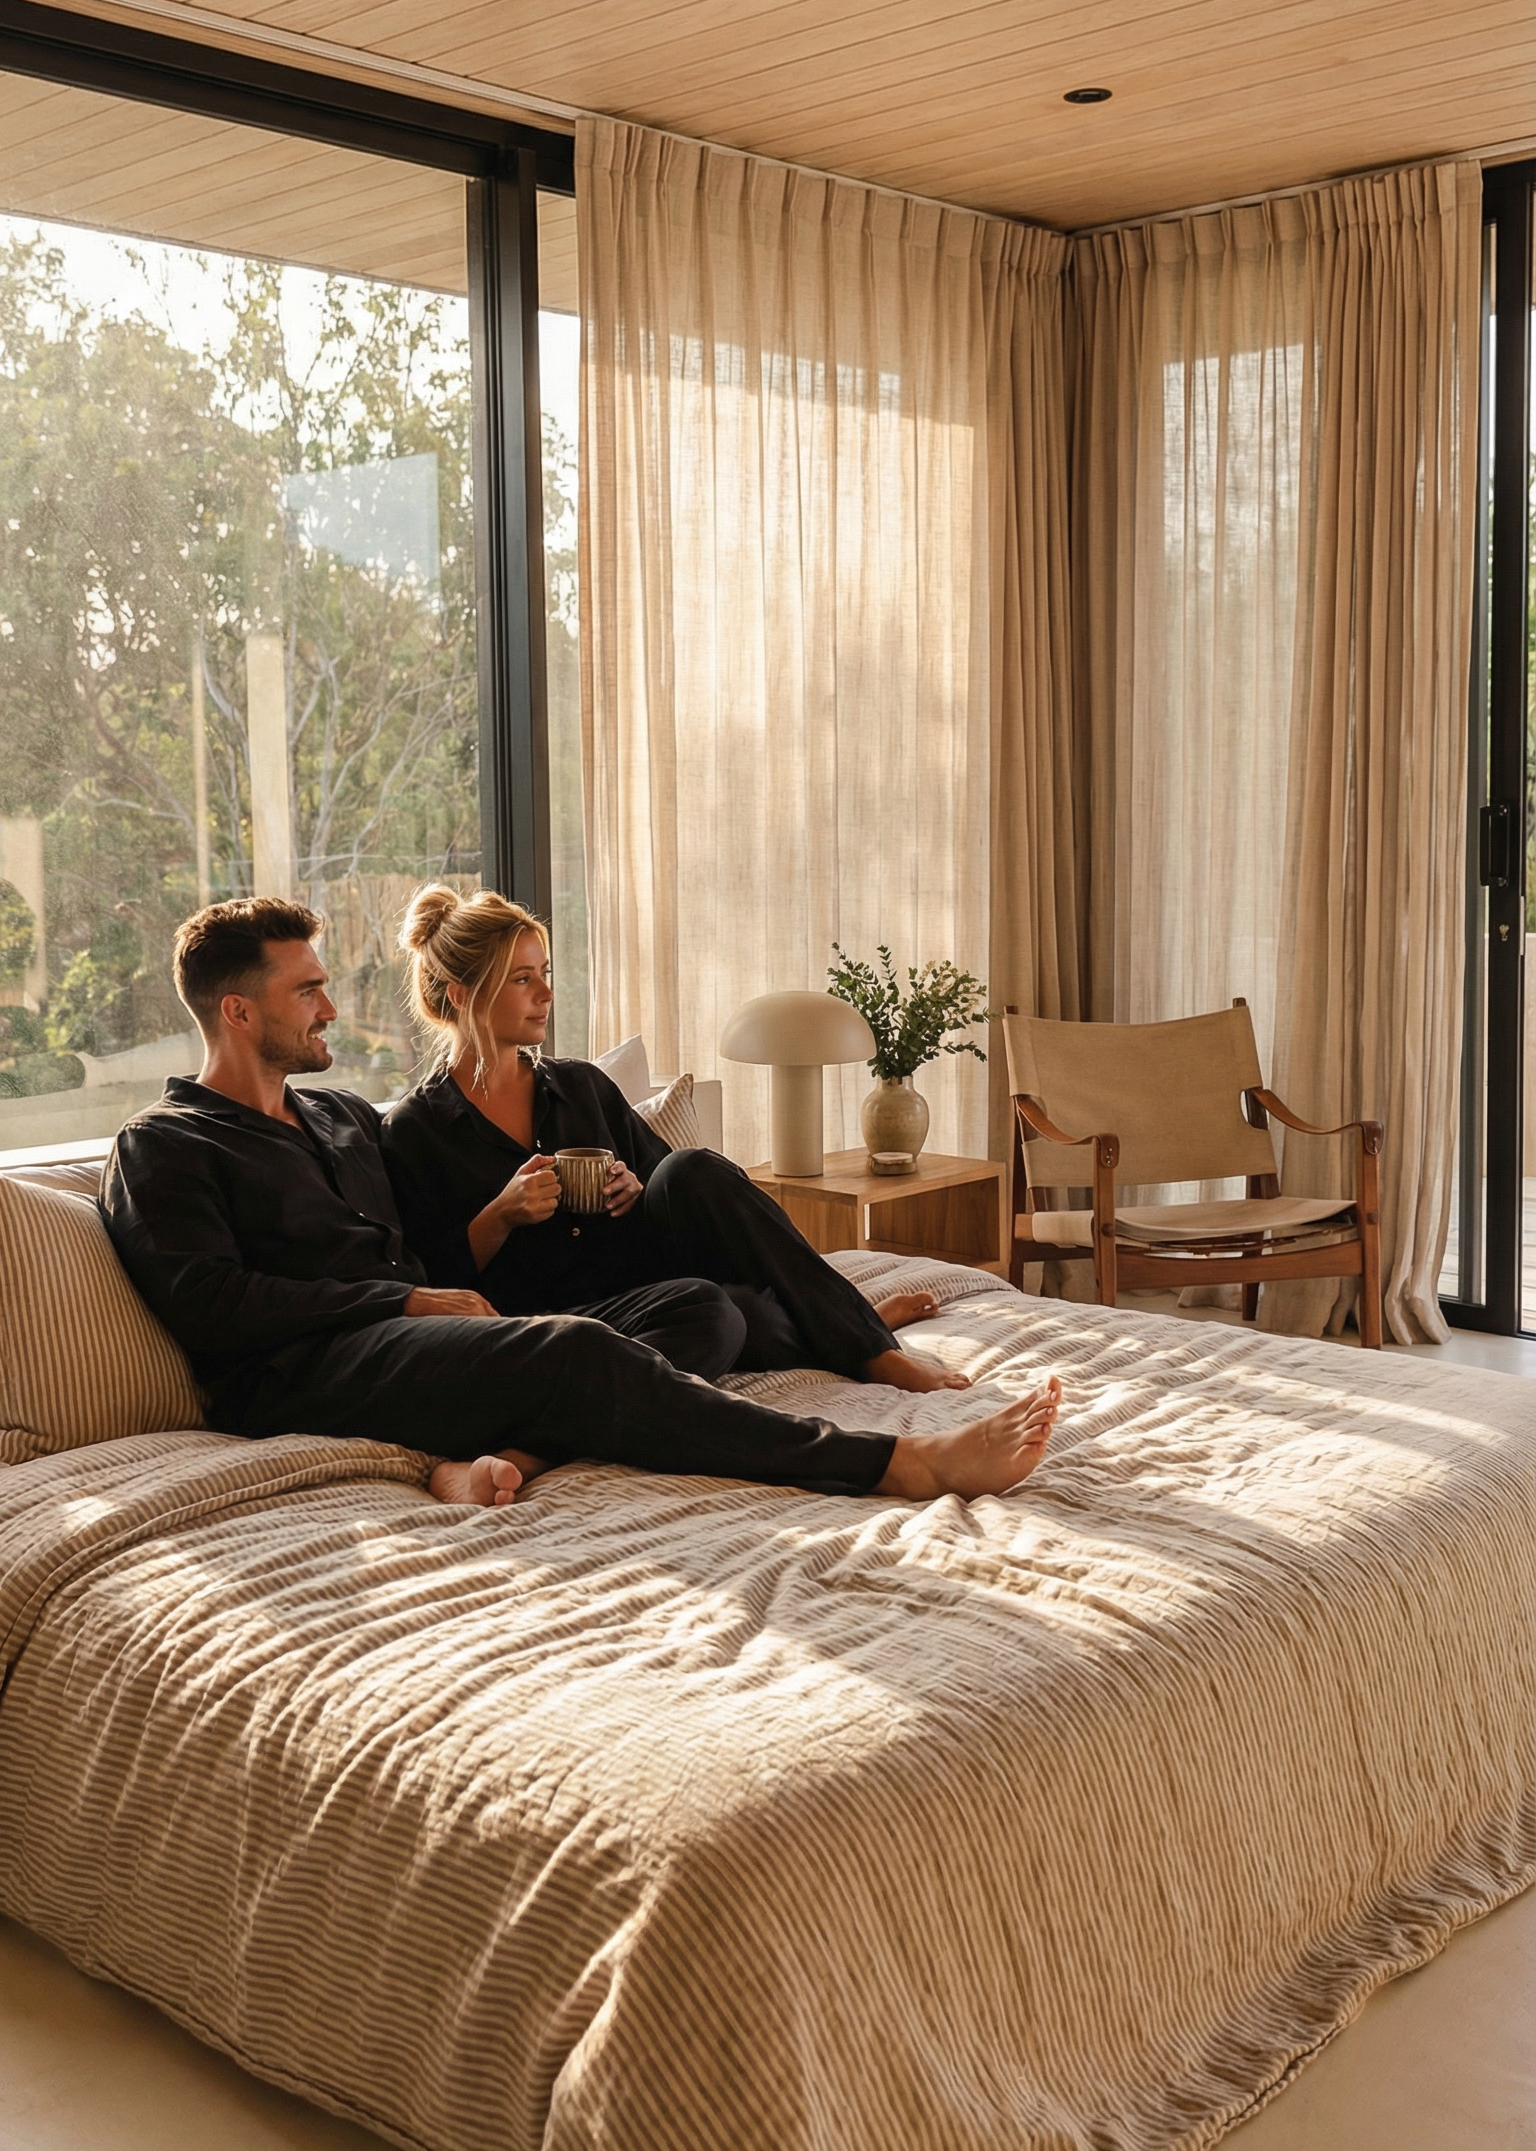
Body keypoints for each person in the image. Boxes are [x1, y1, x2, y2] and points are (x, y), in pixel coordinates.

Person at [101, 897, 1061, 1509]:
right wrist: (404, 1298)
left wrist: (425, 1297)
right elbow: (211, 1305)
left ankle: (468, 1455)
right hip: (302, 1370)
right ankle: (896, 1465)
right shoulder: (163, 1144)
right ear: (237, 1010)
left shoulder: (344, 1120)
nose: (331, 1010)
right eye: (307, 991)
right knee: (577, 1345)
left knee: (698, 1302)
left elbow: (426, 1268)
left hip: (421, 1345)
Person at [381, 883, 964, 1395]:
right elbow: (425, 1284)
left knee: (690, 1171)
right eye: (522, 979)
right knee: (732, 1318)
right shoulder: (416, 1129)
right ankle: (849, 1322)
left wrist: (635, 1185)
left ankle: (867, 1344)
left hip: (641, 1276)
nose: (546, 994)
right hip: (558, 1314)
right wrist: (500, 1216)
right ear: (461, 995)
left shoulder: (581, 1086)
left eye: (546, 974)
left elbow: (675, 1191)